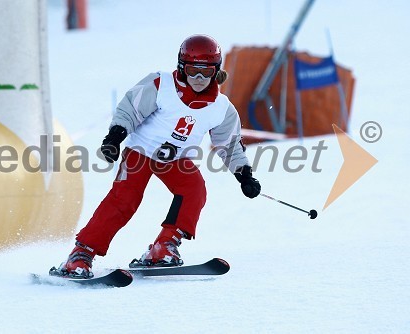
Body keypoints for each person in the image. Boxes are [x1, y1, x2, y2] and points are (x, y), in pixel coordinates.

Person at [59, 34, 261, 278]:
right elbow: (130, 110)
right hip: (140, 152)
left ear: (216, 72)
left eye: (206, 72)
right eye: (192, 71)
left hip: (175, 160)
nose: (198, 79)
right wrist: (115, 137)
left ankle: (163, 246)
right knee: (124, 201)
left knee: (194, 190)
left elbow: (229, 145)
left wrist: (244, 174)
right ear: (180, 67)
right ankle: (81, 254)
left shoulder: (221, 107)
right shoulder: (161, 85)